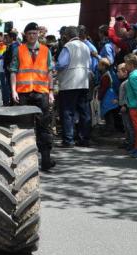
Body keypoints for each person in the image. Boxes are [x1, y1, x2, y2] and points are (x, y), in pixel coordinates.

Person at [9, 22, 55, 171]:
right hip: (23, 93)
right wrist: (13, 91)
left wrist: (51, 91)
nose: (32, 36)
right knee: (22, 127)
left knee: (44, 126)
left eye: (34, 33)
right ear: (25, 35)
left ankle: (46, 160)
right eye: (29, 33)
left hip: (41, 92)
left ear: (38, 34)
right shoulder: (19, 50)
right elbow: (13, 71)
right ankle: (22, 160)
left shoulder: (45, 50)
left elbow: (49, 72)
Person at [56, 25, 92, 147]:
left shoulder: (68, 46)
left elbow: (61, 64)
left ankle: (68, 139)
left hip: (69, 83)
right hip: (84, 82)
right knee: (84, 112)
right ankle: (84, 138)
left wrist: (54, 67)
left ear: (66, 36)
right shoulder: (85, 46)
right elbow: (89, 63)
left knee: (67, 112)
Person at [97, 58, 121, 134]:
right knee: (110, 113)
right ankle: (111, 128)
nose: (98, 66)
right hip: (109, 96)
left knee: (108, 114)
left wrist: (100, 96)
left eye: (99, 65)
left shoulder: (106, 76)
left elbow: (104, 88)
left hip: (108, 97)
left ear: (104, 66)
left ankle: (109, 129)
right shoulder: (107, 74)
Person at [123, 54, 137, 158]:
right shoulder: (133, 75)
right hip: (133, 106)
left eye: (126, 64)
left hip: (135, 107)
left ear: (131, 64)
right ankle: (136, 147)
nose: (125, 66)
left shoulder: (133, 76)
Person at [117, 63, 134, 151]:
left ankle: (132, 143)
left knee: (129, 126)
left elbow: (128, 96)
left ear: (125, 72)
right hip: (124, 107)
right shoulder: (123, 82)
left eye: (118, 71)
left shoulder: (127, 82)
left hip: (127, 107)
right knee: (126, 126)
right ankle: (128, 141)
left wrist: (124, 105)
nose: (117, 73)